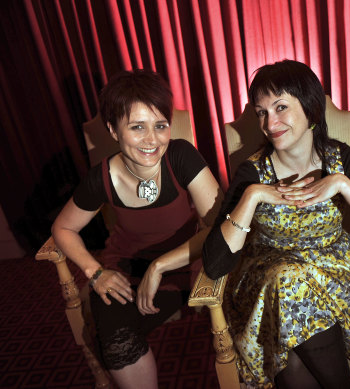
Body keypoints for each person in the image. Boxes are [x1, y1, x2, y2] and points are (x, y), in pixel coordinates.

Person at [202, 60, 350, 389]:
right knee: (289, 282)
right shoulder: (252, 173)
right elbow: (214, 263)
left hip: (339, 278)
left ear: (310, 109)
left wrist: (342, 184)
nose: (270, 122)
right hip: (270, 283)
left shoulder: (341, 159)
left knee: (292, 350)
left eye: (281, 107)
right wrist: (251, 196)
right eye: (262, 112)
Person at [51, 69, 222, 389]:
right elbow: (63, 228)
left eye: (160, 126)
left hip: (183, 266)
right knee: (115, 337)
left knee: (112, 336)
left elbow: (219, 226)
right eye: (137, 127)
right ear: (113, 130)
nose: (152, 140)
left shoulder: (181, 155)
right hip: (125, 271)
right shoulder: (99, 177)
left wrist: (160, 266)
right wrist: (95, 272)